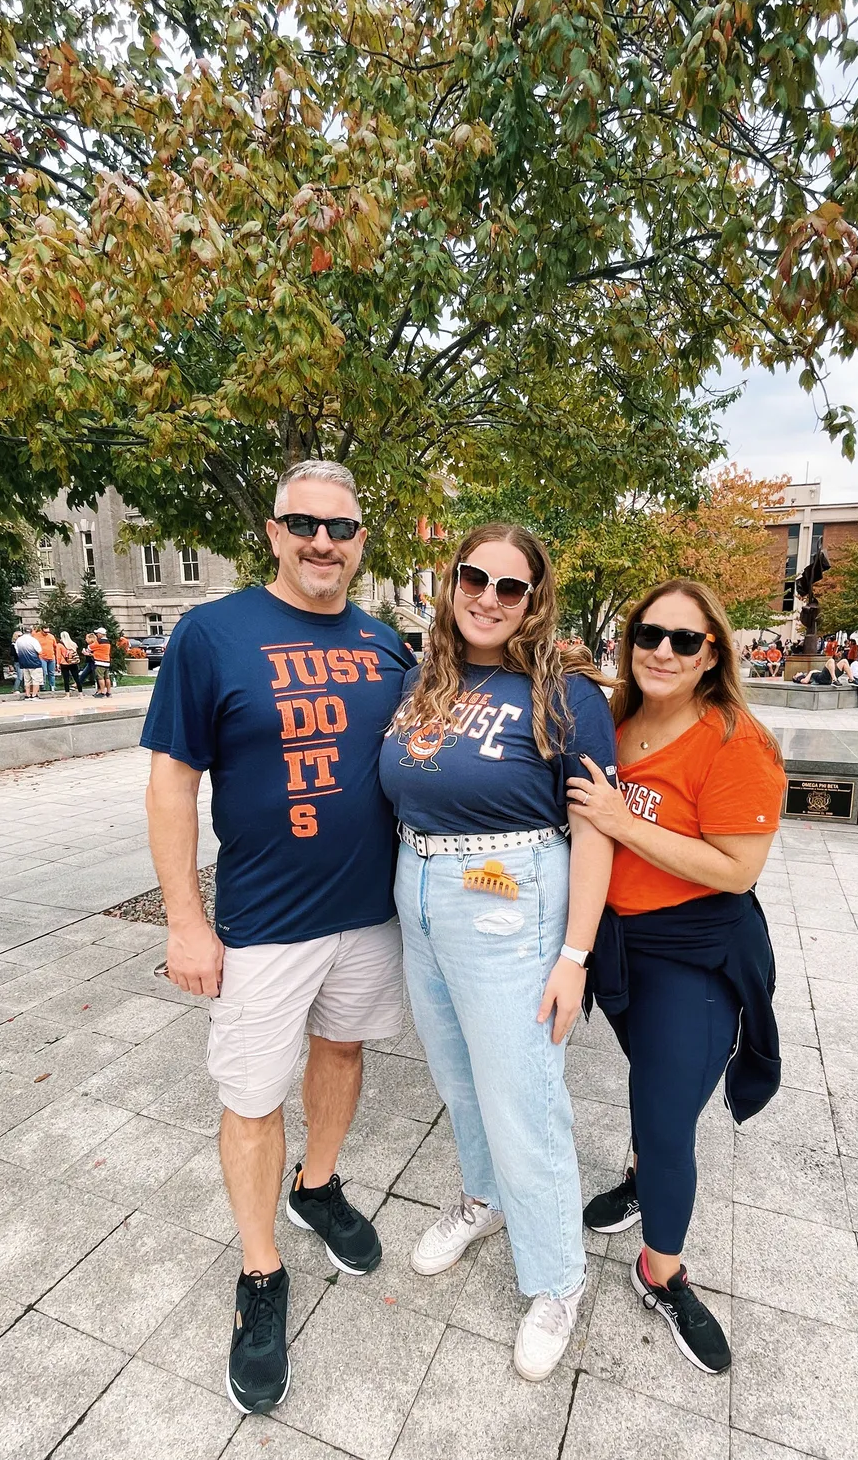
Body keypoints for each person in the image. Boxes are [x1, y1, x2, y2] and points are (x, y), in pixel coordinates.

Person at [142, 459, 416, 1416]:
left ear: (360, 543)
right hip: (261, 926)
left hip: (368, 914)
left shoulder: (387, 646)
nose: (322, 543)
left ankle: (320, 1184)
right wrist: (186, 917)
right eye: (303, 524)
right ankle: (261, 1271)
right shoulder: (211, 635)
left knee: (342, 1051)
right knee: (253, 1096)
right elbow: (173, 779)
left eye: (340, 529)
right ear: (272, 532)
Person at [379, 525, 616, 1382]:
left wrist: (575, 956)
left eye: (509, 587)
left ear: (534, 599)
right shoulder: (424, 679)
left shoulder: (567, 694)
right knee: (456, 1074)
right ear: (452, 582)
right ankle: (482, 1197)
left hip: (511, 896)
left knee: (522, 1090)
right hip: (423, 888)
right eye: (473, 577)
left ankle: (556, 1278)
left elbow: (595, 831)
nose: (487, 596)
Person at [574, 579, 784, 1376]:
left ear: (712, 655)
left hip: (693, 954)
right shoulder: (615, 719)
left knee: (666, 1117)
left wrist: (623, 822)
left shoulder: (735, 740)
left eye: (685, 641)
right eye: (648, 634)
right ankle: (639, 1178)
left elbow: (737, 870)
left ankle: (661, 1272)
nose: (663, 650)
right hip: (619, 948)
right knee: (652, 1083)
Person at [12, 628, 44, 698]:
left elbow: (17, 652)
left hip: (23, 663)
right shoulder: (33, 640)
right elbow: (40, 651)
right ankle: (34, 694)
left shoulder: (18, 640)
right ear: (31, 632)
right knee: (36, 679)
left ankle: (27, 694)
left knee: (27, 680)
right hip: (34, 662)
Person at [88, 628, 113, 695]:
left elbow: (90, 647)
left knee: (100, 677)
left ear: (101, 634)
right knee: (107, 677)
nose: (97, 635)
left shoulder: (99, 641)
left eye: (98, 633)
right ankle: (108, 692)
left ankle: (102, 692)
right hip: (107, 661)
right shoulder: (108, 641)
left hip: (100, 661)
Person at [33, 625, 57, 691]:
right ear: (41, 630)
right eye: (45, 632)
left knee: (51, 673)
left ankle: (52, 686)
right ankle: (42, 686)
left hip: (51, 656)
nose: (47, 633)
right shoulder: (36, 636)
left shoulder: (51, 636)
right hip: (41, 657)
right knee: (43, 672)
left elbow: (55, 646)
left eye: (48, 631)